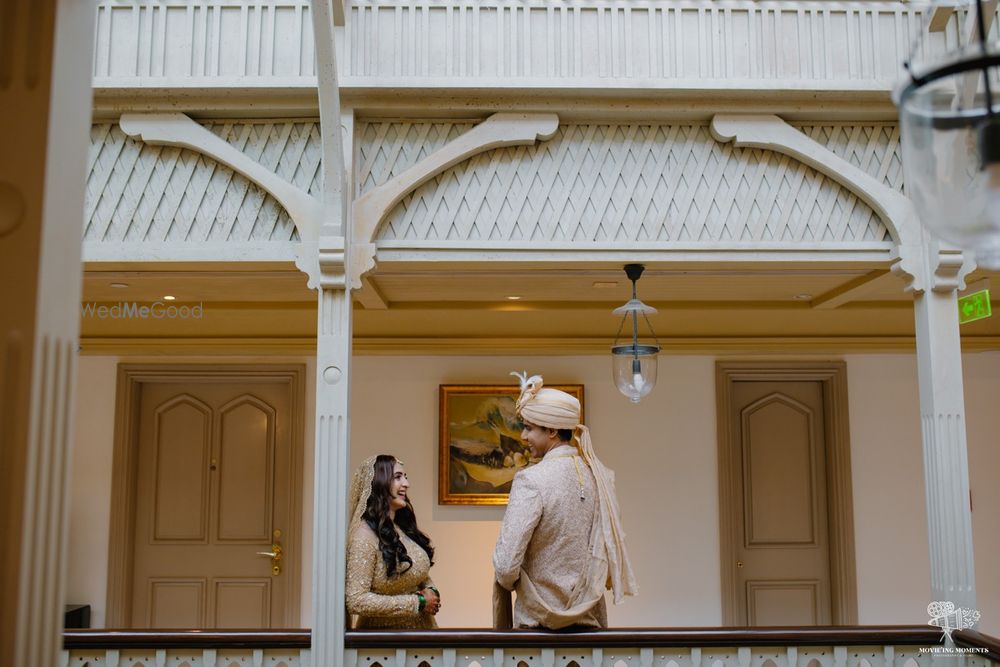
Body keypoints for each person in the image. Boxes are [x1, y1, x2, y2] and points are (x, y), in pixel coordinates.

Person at [492, 372, 637, 629]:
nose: (523, 436)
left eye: (529, 428)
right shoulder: (599, 477)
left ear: (552, 430)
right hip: (591, 629)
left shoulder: (531, 479)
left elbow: (505, 566)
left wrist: (516, 583)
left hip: (539, 631)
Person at [346, 454, 441, 628]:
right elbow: (356, 600)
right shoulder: (363, 537)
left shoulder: (400, 527)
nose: (406, 484)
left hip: (423, 632)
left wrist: (430, 589)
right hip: (384, 639)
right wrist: (418, 602)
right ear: (378, 483)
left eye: (405, 477)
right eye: (398, 477)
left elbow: (413, 571)